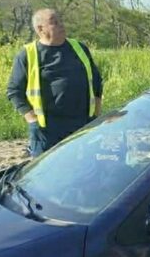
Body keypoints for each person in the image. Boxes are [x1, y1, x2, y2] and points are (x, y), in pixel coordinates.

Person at [6, 8, 103, 156]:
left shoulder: (79, 48)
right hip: (47, 129)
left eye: (61, 21)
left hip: (82, 125)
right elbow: (14, 91)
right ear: (40, 29)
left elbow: (96, 81)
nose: (62, 25)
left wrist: (96, 115)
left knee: (85, 173)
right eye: (55, 23)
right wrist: (32, 119)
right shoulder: (28, 54)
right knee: (46, 173)